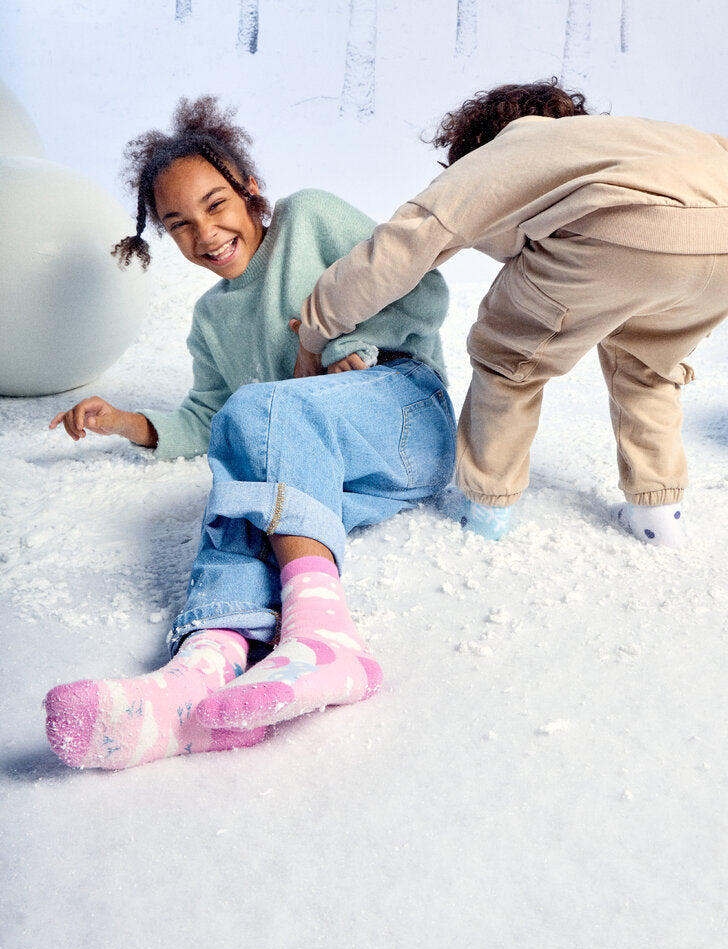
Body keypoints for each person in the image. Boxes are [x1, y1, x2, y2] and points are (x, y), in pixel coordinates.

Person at [44, 96, 456, 770]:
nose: (204, 234)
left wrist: (346, 338)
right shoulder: (210, 321)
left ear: (249, 189)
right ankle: (200, 675)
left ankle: (325, 638)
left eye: (215, 205)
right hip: (329, 460)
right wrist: (127, 423)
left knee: (264, 413)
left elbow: (423, 287)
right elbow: (209, 418)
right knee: (244, 502)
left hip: (406, 416)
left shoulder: (312, 219)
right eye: (179, 224)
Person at [293, 79, 728, 548]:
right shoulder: (629, 140)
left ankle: (487, 509)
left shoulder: (511, 146)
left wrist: (316, 330)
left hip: (619, 227)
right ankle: (658, 514)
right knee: (648, 366)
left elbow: (404, 245)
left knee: (508, 357)